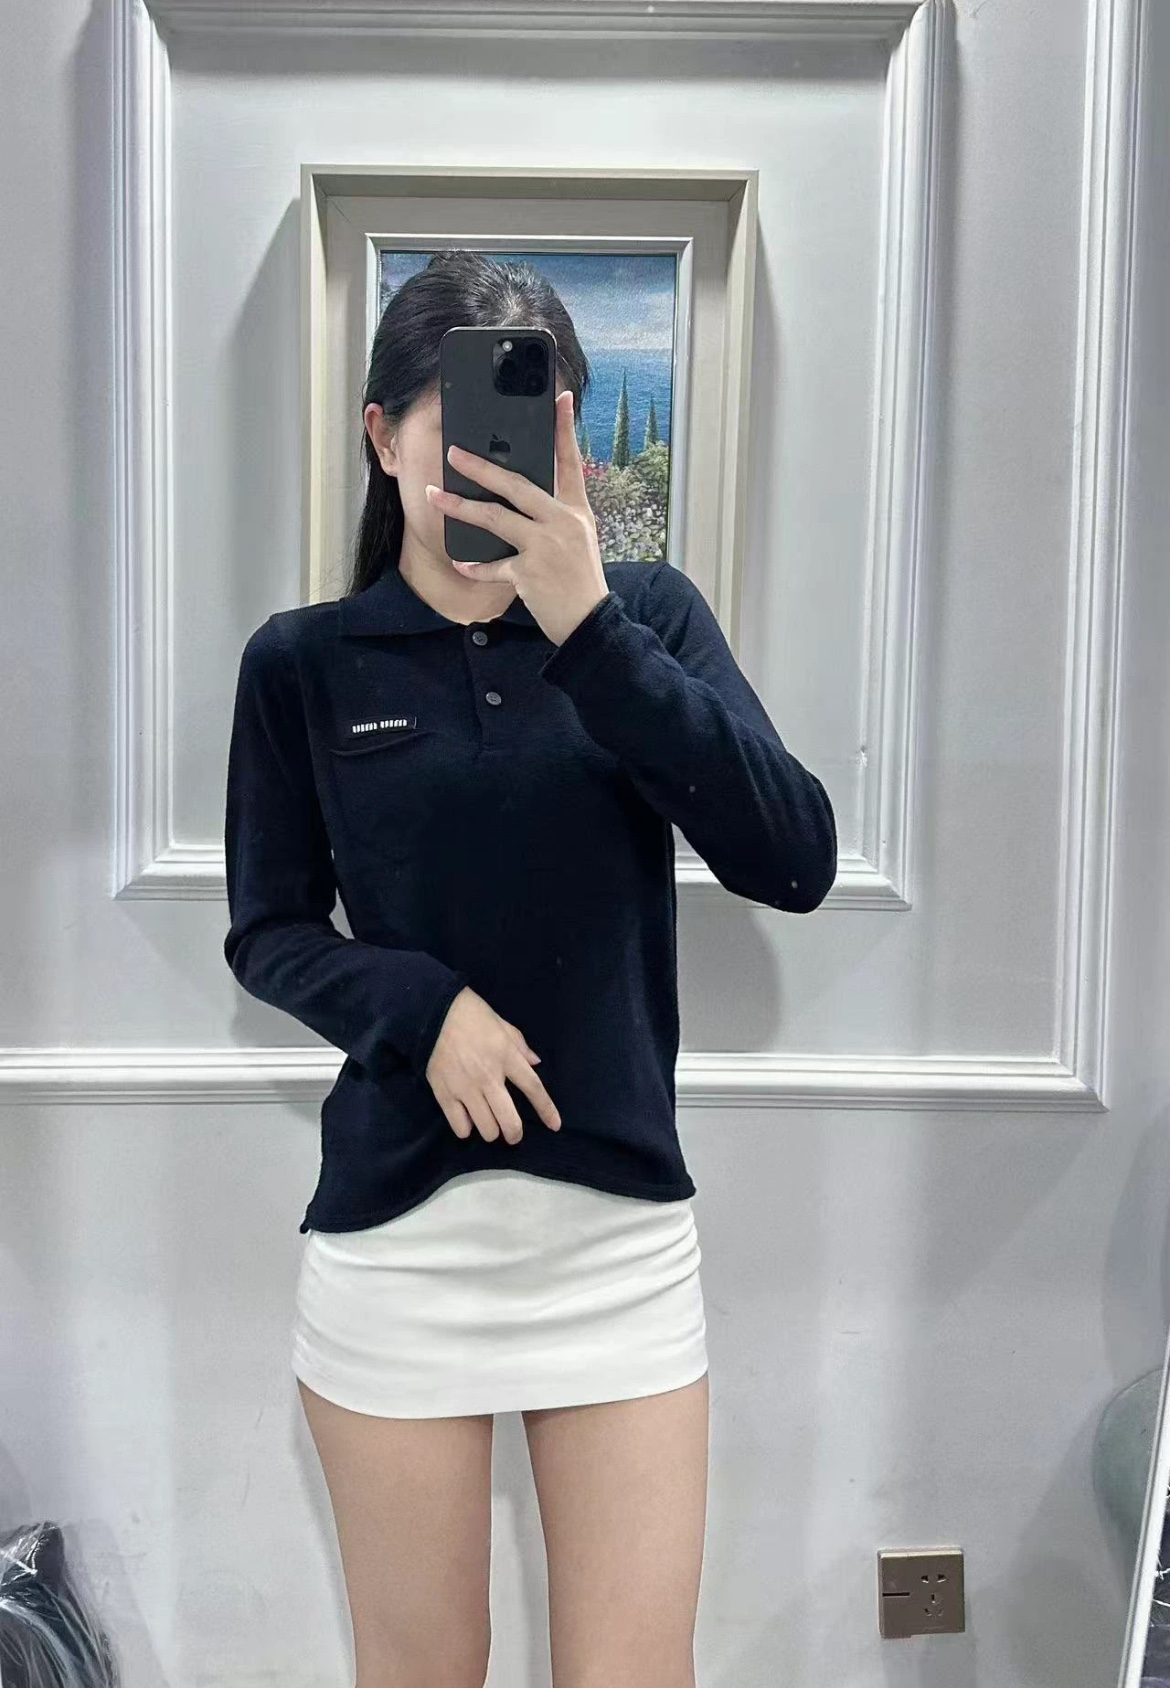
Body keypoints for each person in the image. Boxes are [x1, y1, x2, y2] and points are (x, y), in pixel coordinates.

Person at [222, 249, 837, 1687]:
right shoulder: (302, 663)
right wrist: (418, 1006)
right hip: (396, 1244)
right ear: (382, 438)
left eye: (532, 434)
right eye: (459, 437)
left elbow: (792, 859)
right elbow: (268, 930)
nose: (492, 477)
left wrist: (590, 629)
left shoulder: (646, 620)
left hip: (617, 1240)